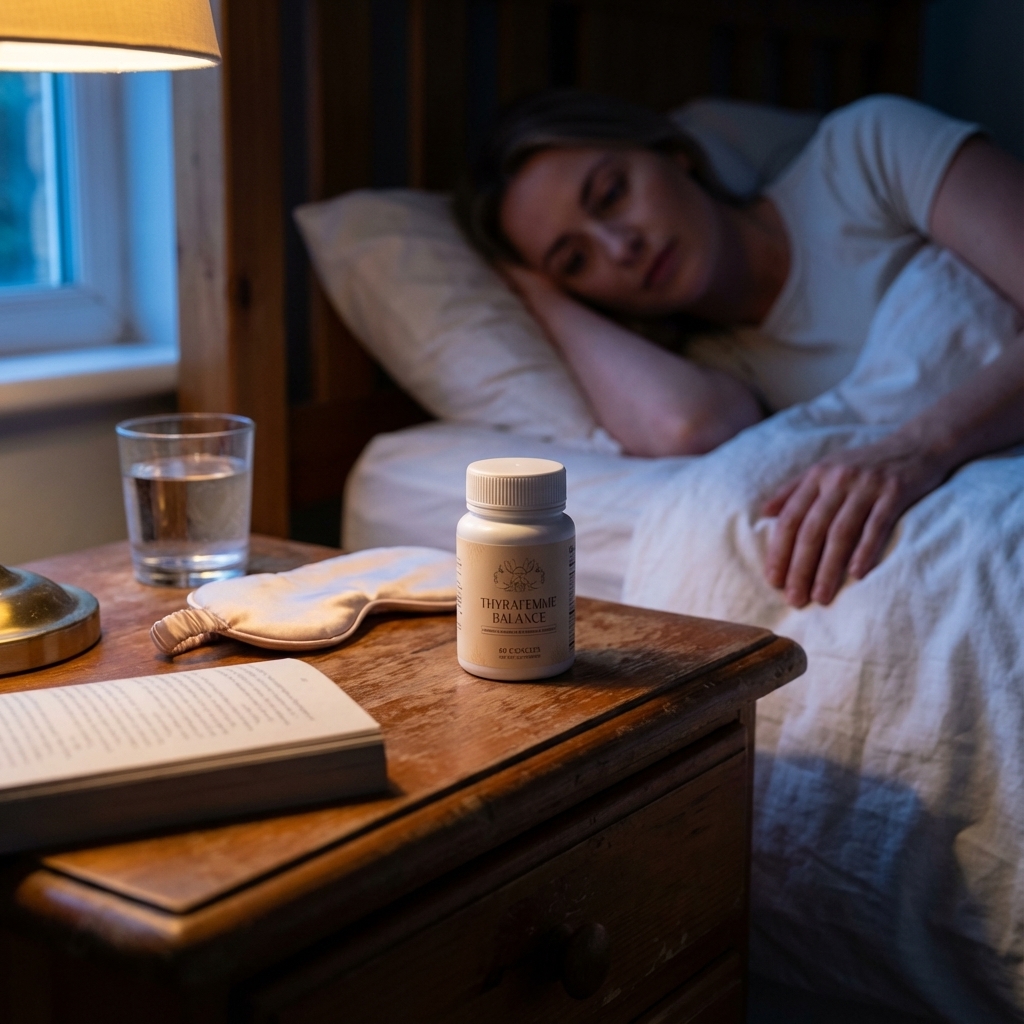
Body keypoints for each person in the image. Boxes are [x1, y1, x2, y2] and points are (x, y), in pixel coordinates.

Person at [457, 90, 1024, 609]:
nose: (620, 246)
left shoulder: (865, 154)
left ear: (673, 153)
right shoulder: (713, 367)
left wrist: (922, 446)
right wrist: (537, 293)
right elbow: (686, 428)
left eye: (611, 193)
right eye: (575, 261)